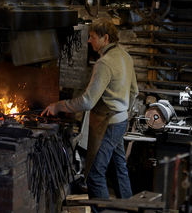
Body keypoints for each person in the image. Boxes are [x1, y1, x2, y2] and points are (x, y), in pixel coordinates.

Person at [42, 17, 138, 211]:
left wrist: (58, 106)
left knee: (94, 173)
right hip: (120, 121)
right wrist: (122, 110)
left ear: (105, 38)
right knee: (119, 167)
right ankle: (131, 208)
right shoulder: (125, 56)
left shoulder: (104, 63)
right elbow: (134, 91)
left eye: (93, 37)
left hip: (107, 124)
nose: (89, 41)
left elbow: (87, 102)